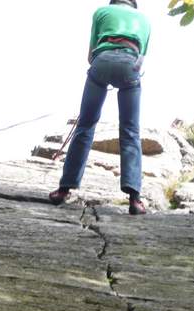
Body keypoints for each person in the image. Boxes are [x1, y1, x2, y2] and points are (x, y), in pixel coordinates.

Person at [49, 0, 151, 215]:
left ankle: (63, 190)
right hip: (130, 64)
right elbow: (142, 58)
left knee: (85, 125)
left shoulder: (101, 12)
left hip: (102, 61)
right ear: (133, 5)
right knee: (130, 131)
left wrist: (104, 72)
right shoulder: (144, 20)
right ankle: (135, 199)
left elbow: (90, 54)